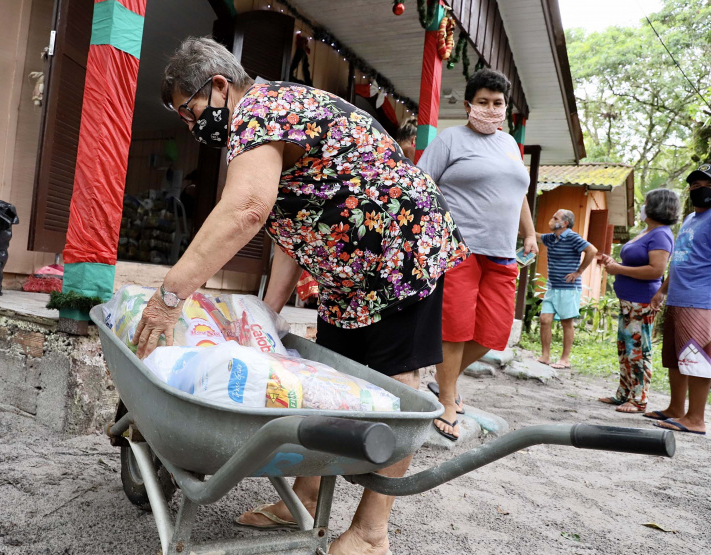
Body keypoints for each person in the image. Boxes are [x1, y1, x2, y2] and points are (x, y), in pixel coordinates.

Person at [135, 37, 468, 554]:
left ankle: (372, 532)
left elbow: (246, 210)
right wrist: (266, 313)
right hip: (346, 268)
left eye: (189, 109)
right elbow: (292, 224)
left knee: (395, 388)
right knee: (336, 380)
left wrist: (170, 296)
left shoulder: (261, 111)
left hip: (401, 251)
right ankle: (308, 499)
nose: (190, 123)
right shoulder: (274, 112)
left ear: (220, 85)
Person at [417, 68, 538, 442]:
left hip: (502, 252)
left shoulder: (509, 146)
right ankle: (449, 400)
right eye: (482, 102)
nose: (490, 108)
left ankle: (442, 382)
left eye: (497, 103)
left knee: (492, 333)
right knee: (455, 328)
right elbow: (421, 184)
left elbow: (517, 193)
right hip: (459, 248)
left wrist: (530, 232)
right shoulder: (450, 139)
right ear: (469, 104)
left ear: (505, 107)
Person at [597, 189, 678, 413]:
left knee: (639, 349)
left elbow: (656, 270)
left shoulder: (661, 234)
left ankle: (639, 399)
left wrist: (618, 269)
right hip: (628, 300)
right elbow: (633, 262)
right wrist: (614, 264)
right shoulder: (646, 231)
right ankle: (624, 393)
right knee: (625, 348)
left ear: (656, 207)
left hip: (642, 301)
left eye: (645, 203)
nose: (643, 207)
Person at [647, 165, 711, 435]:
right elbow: (681, 260)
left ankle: (695, 418)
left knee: (697, 358)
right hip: (677, 296)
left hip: (701, 300)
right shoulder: (688, 220)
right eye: (694, 185)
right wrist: (662, 290)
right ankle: (676, 408)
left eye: (704, 185)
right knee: (675, 357)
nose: (698, 189)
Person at [536, 209, 598, 368]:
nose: (551, 219)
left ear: (564, 223)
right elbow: (535, 236)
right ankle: (545, 356)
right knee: (544, 319)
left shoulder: (572, 237)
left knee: (566, 322)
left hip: (568, 288)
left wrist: (579, 271)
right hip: (552, 286)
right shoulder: (552, 238)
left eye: (554, 217)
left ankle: (565, 359)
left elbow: (592, 250)